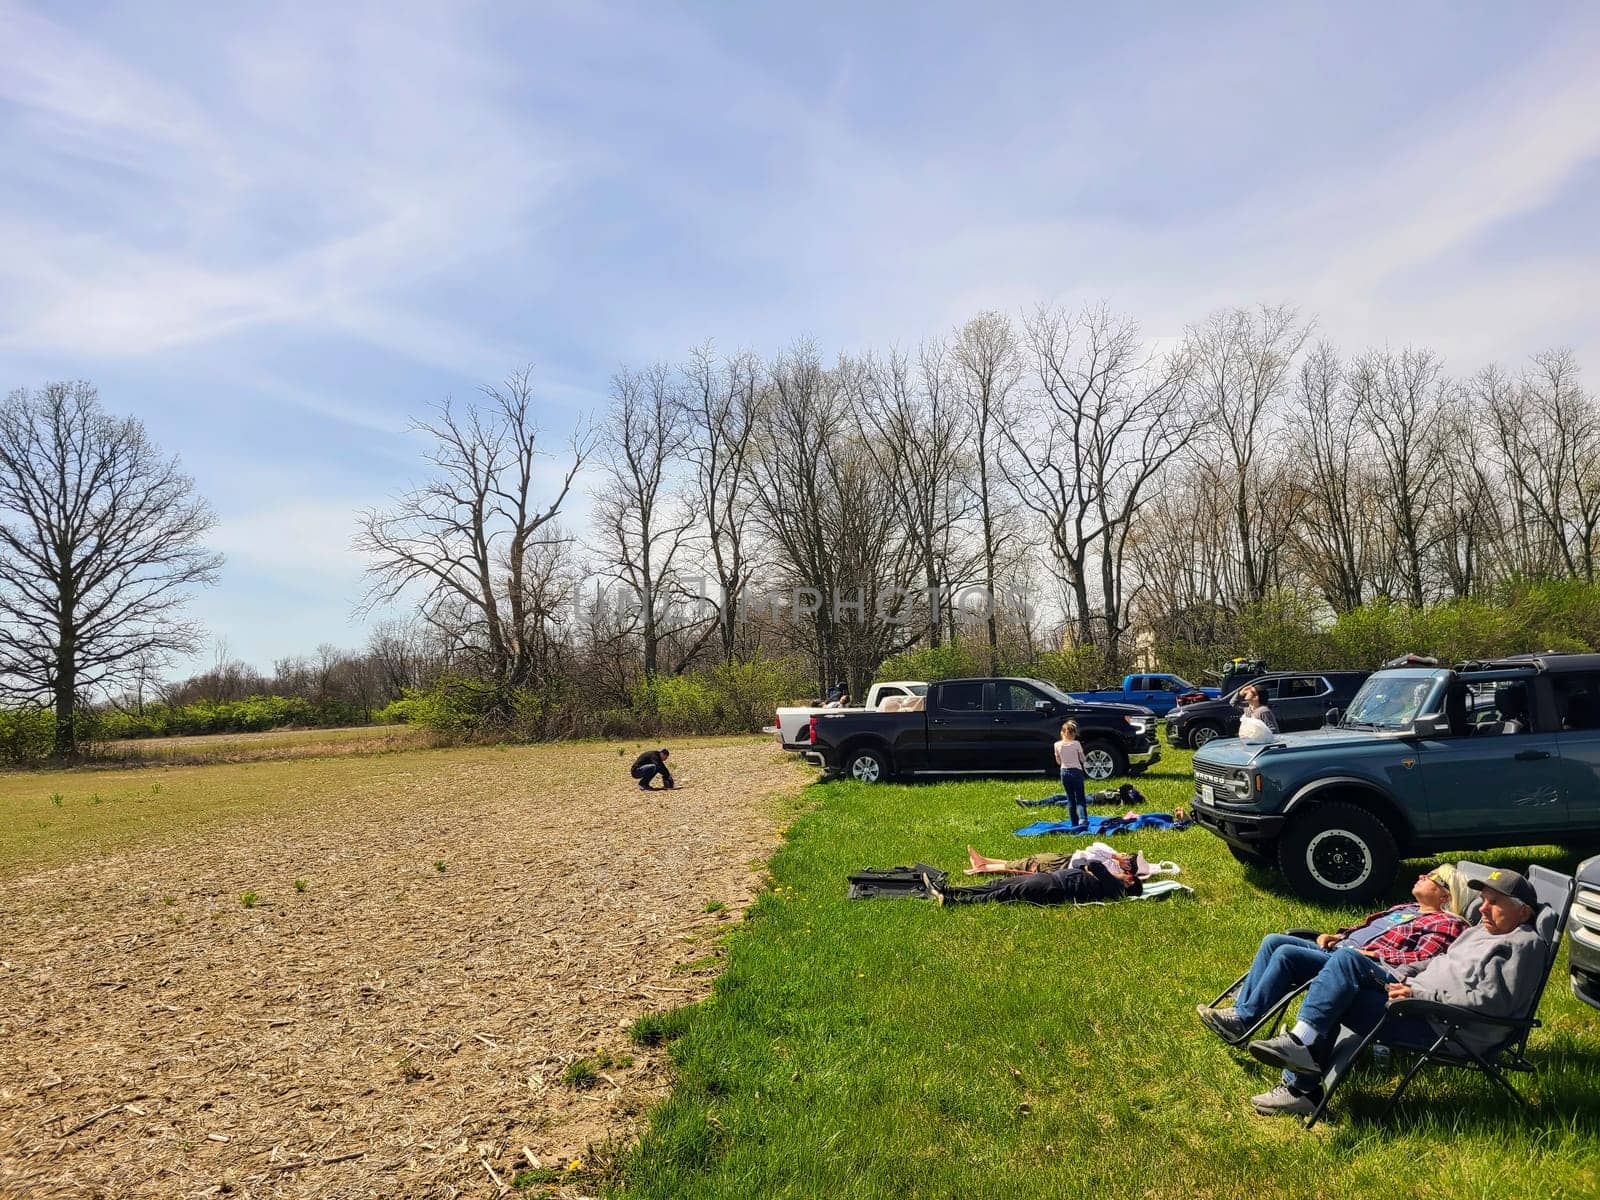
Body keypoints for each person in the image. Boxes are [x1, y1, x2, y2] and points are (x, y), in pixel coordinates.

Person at [1243, 868, 1547, 1118]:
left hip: (1446, 1026)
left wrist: (1421, 995)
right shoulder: (1481, 930)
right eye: (1482, 899)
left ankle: (1302, 1078)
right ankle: (1302, 1065)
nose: (1482, 908)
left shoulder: (1524, 945)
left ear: (1523, 912)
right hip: (1416, 1003)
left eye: (1494, 902)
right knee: (1345, 971)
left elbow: (1490, 1003)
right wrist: (1406, 977)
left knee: (1341, 981)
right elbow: (1438, 961)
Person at [1195, 865, 1468, 1043]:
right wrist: (1338, 935)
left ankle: (1244, 1020)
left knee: (1288, 954)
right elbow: (1367, 928)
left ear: (1446, 895)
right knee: (1273, 941)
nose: (1422, 876)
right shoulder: (1406, 908)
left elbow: (1421, 959)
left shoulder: (1446, 923)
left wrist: (1369, 953)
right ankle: (1243, 1008)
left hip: (1357, 966)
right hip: (1340, 949)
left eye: (1432, 878)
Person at [922, 858, 1141, 906]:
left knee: (1007, 892)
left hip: (1055, 888)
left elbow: (1092, 864)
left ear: (1130, 881)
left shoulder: (1116, 889)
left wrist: (1086, 868)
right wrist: (1084, 867)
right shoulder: (1109, 884)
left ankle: (954, 902)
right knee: (998, 884)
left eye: (1127, 875)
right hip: (1051, 880)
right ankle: (951, 890)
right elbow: (1080, 864)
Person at [1016, 720, 1089, 821]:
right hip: (1076, 771)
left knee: (1070, 798)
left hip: (1064, 772)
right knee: (1080, 799)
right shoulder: (1076, 744)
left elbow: (1058, 761)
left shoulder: (1057, 745)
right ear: (1074, 733)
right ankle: (1083, 819)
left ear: (1062, 733)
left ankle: (1074, 821)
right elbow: (1082, 759)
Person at [963, 844, 1140, 878]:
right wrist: (1115, 855)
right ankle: (984, 860)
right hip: (1066, 857)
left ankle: (983, 868)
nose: (1123, 856)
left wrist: (1119, 865)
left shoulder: (1114, 873)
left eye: (1127, 859)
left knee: (1028, 867)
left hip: (1065, 867)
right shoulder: (1112, 855)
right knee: (1030, 860)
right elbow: (1094, 847)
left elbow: (1093, 861)